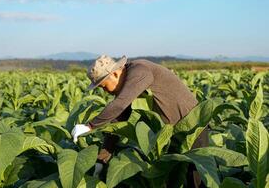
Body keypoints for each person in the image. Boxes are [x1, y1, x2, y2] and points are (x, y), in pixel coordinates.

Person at [71, 55, 208, 187]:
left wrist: (90, 126)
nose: (105, 91)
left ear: (114, 74)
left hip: (193, 128)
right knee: (173, 180)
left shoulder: (140, 70)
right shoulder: (131, 83)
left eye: (104, 86)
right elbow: (117, 123)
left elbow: (120, 104)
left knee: (197, 179)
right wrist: (102, 159)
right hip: (172, 135)